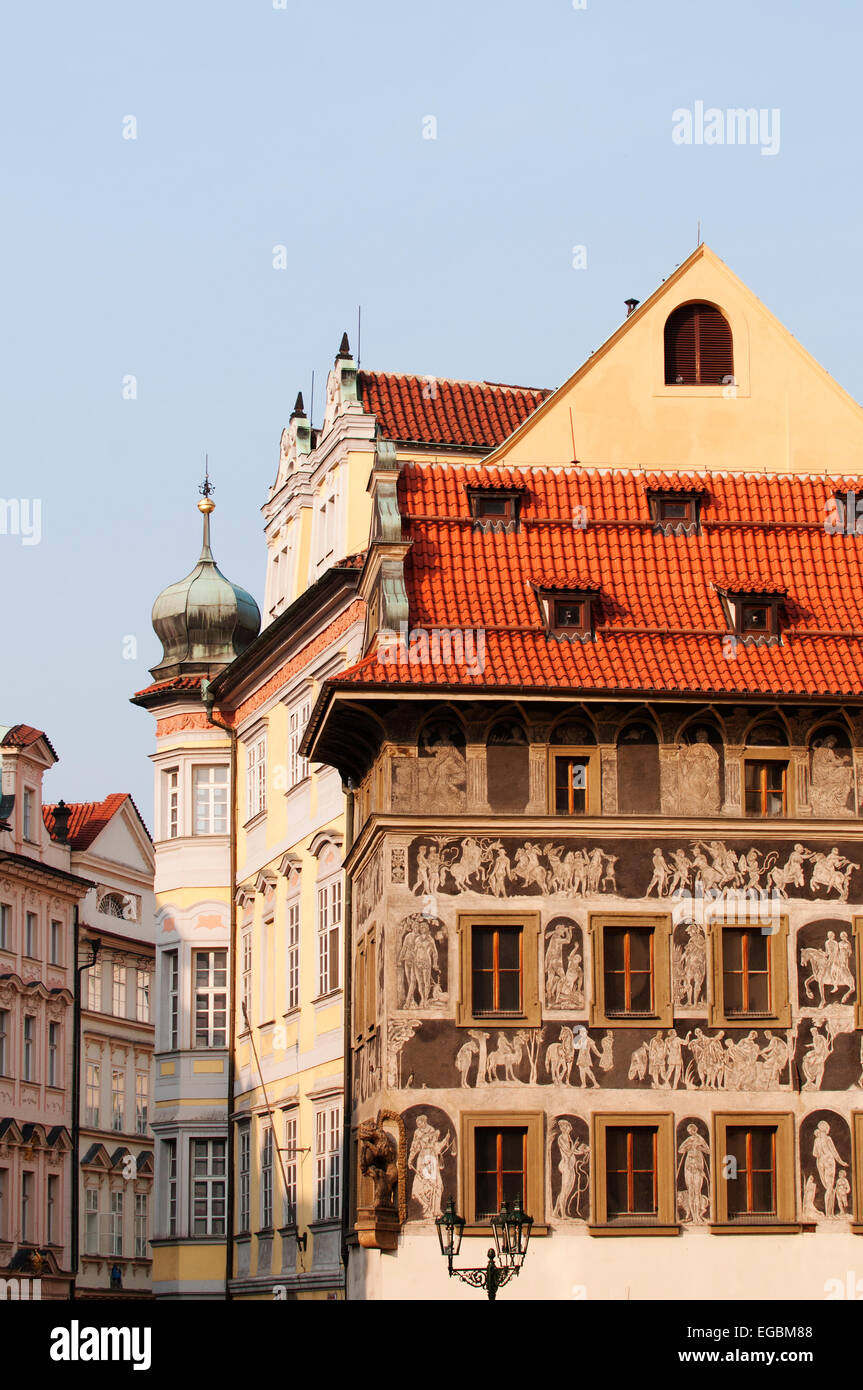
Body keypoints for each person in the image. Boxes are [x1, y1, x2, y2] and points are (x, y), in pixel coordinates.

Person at [813, 1120, 847, 1218]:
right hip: (829, 1161)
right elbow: (834, 1153)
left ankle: (829, 1213)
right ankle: (829, 1214)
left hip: (820, 1163)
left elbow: (815, 1154)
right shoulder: (828, 1139)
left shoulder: (816, 1140)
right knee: (829, 1188)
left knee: (828, 1188)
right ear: (826, 1128)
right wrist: (841, 1162)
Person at [677, 1124, 710, 1223]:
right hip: (688, 1166)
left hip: (698, 1167)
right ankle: (692, 1214)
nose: (691, 1133)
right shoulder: (689, 1139)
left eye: (692, 1131)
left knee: (697, 1192)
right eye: (690, 1132)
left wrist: (700, 1148)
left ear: (696, 1130)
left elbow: (708, 1150)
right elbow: (680, 1150)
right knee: (691, 1191)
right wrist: (687, 1147)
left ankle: (697, 1215)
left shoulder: (700, 1139)